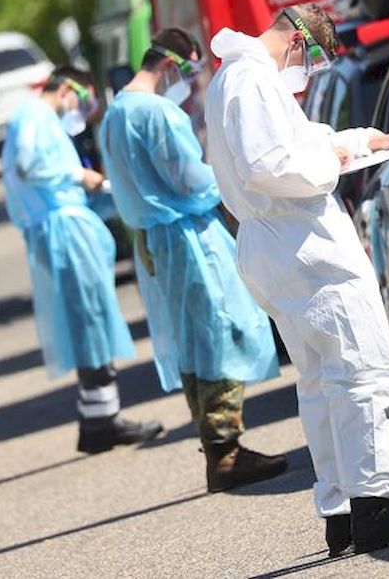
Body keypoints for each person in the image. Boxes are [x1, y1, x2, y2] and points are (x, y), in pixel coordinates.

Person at [205, 4, 389, 555]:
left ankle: (341, 509)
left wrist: (364, 141)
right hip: (302, 246)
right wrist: (335, 161)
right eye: (311, 63)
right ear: (296, 40)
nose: (307, 75)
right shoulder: (250, 81)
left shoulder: (240, 79)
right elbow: (272, 163)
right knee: (364, 369)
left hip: (279, 244)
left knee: (322, 381)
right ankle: (374, 505)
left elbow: (297, 141)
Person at [98, 28, 287, 492]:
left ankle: (217, 447)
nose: (185, 83)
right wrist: (233, 177)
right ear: (169, 67)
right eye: (185, 72)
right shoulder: (158, 113)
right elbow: (188, 179)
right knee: (222, 331)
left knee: (191, 340)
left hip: (153, 241)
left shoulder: (114, 113)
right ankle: (226, 452)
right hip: (188, 237)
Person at [2, 68, 163, 454]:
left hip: (62, 228)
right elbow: (30, 166)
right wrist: (80, 174)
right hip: (64, 231)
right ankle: (102, 421)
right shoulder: (34, 115)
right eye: (85, 100)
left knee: (89, 320)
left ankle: (99, 418)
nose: (83, 110)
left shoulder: (36, 119)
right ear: (68, 89)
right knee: (90, 320)